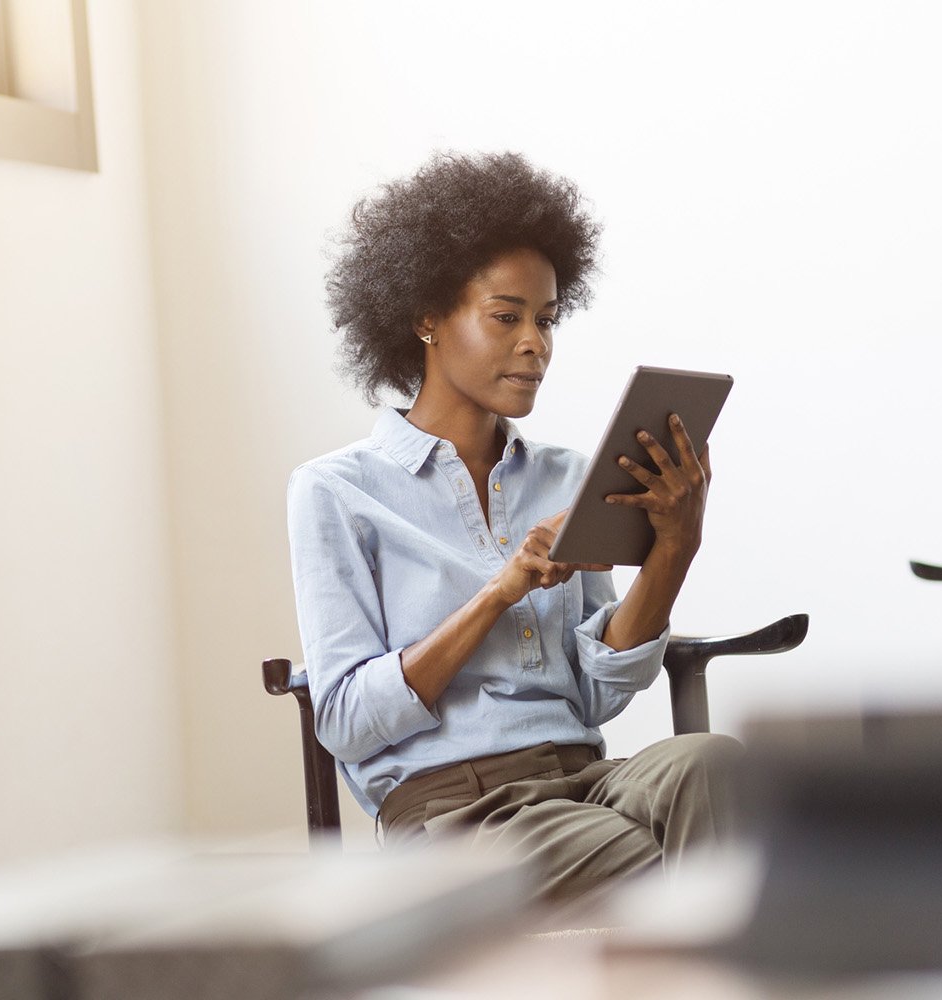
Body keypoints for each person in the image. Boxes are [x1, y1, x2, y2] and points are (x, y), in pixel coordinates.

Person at [286, 151, 739, 908]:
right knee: (657, 861)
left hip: (585, 779)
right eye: (507, 316)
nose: (537, 343)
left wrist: (674, 550)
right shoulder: (337, 492)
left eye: (547, 319)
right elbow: (345, 722)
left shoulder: (568, 477)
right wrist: (498, 593)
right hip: (449, 817)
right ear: (426, 316)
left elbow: (597, 696)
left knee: (717, 769)